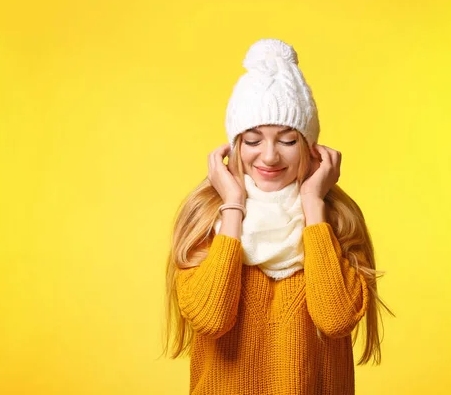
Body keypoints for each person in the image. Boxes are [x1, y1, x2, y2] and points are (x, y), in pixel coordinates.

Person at [163, 38, 392, 395]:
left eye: (287, 140)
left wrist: (313, 205)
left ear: (311, 146)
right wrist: (233, 205)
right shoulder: (205, 218)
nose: (269, 157)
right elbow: (211, 318)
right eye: (253, 140)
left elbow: (335, 319)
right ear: (233, 146)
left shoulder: (339, 220)